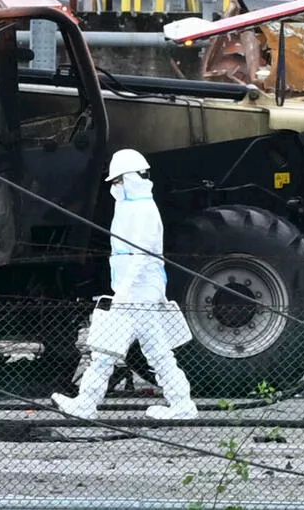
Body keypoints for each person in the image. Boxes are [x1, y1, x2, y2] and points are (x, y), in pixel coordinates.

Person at [51, 148, 198, 420]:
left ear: (130, 178)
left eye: (118, 181)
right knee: (154, 352)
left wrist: (125, 290)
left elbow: (141, 254)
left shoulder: (142, 210)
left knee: (106, 349)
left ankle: (87, 403)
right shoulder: (131, 208)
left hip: (136, 293)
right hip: (137, 292)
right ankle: (181, 403)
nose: (115, 187)